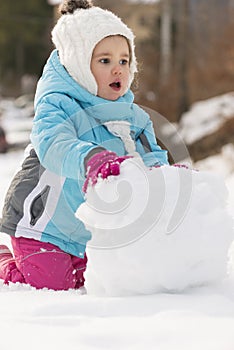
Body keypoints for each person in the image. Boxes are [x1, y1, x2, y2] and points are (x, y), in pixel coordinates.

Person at [0, 0, 168, 291]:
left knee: (87, 282)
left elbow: (150, 156)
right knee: (53, 284)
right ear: (78, 63)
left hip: (87, 232)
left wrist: (166, 177)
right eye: (105, 61)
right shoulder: (57, 104)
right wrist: (91, 158)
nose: (118, 70)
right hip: (43, 227)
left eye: (124, 61)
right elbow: (53, 143)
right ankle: (5, 263)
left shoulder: (135, 119)